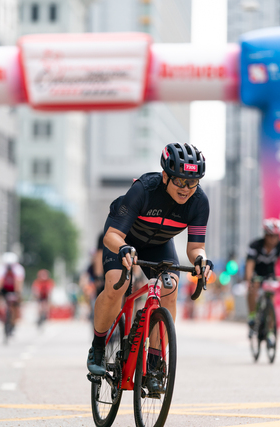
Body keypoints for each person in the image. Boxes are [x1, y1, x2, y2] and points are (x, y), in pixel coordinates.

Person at [87, 142, 214, 393]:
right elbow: (111, 235)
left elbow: (195, 247)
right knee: (118, 284)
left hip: (159, 245)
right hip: (123, 239)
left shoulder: (199, 202)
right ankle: (98, 347)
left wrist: (201, 260)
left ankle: (155, 364)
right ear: (165, 176)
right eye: (179, 181)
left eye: (192, 182)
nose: (186, 189)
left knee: (170, 288)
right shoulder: (143, 189)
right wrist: (124, 248)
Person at [244, 218, 280, 335]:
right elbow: (249, 265)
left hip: (270, 273)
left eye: (276, 236)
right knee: (253, 287)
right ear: (265, 235)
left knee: (271, 298)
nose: (273, 239)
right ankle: (252, 316)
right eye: (270, 236)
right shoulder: (255, 245)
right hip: (256, 271)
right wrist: (249, 280)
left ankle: (270, 331)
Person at [0, 252, 25, 324]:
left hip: (14, 289)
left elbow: (19, 283)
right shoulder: (1, 268)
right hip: (4, 289)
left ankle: (15, 318)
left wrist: (18, 293)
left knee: (17, 303)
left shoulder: (18, 269)